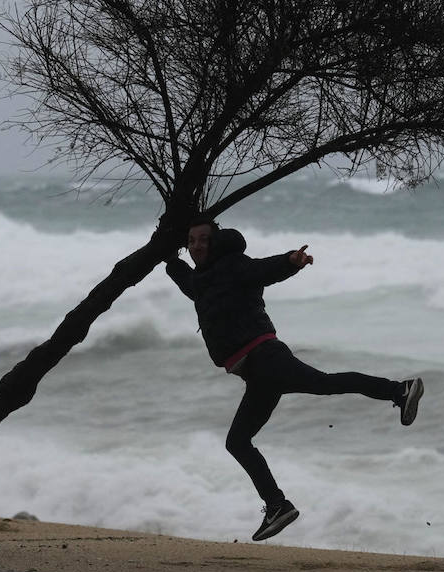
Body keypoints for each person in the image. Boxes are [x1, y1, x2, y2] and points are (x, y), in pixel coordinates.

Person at [166, 218, 424, 542]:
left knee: (325, 384)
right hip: (256, 373)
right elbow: (188, 283)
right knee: (238, 441)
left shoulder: (232, 266)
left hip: (265, 359)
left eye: (204, 239)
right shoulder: (204, 280)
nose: (197, 246)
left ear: (216, 243)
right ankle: (277, 506)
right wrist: (168, 259)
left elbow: (261, 270)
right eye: (191, 240)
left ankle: (400, 390)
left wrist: (291, 261)